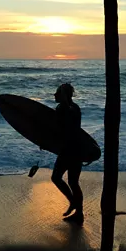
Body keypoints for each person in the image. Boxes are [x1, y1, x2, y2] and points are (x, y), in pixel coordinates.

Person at [51, 83, 83, 224]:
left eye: (57, 92)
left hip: (68, 150)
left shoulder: (62, 109)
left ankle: (73, 203)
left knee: (56, 177)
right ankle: (79, 213)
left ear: (63, 94)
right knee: (73, 182)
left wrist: (45, 141)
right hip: (78, 149)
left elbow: (58, 131)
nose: (54, 94)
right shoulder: (75, 108)